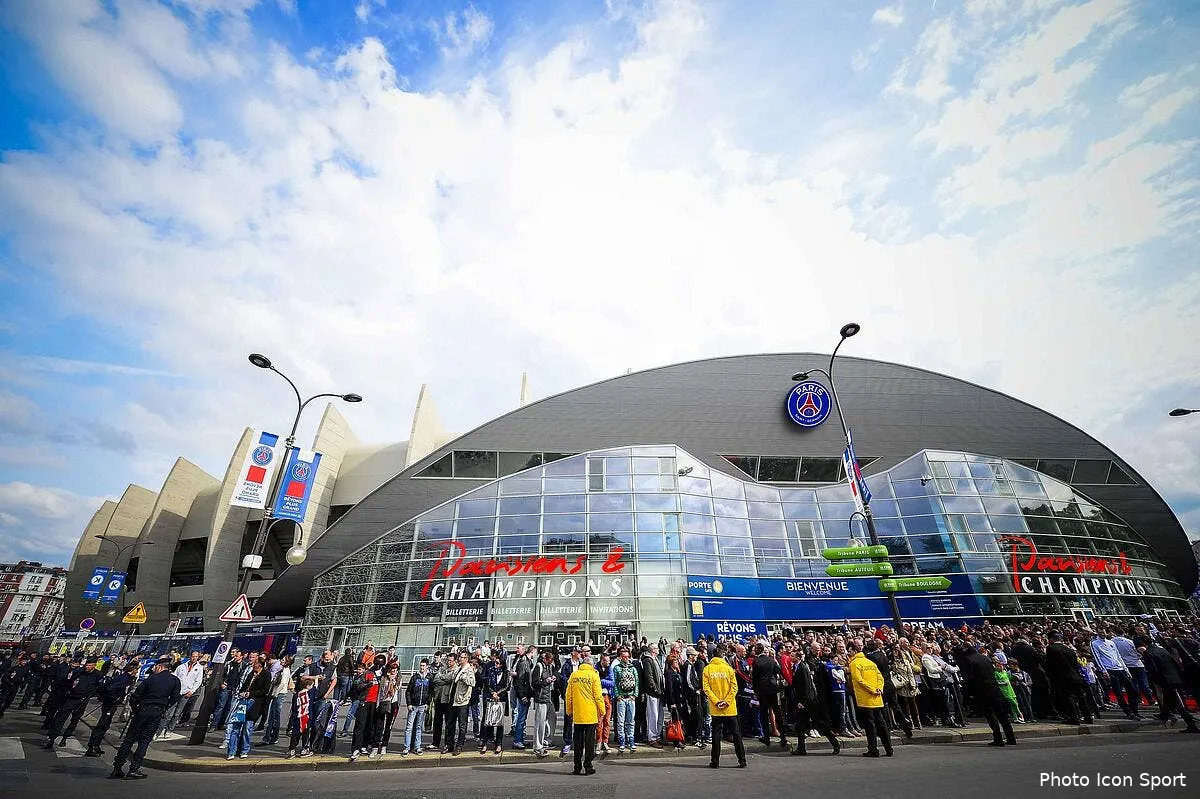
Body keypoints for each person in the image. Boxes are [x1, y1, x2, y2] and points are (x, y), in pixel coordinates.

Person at [109, 657, 181, 781]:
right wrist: (165, 705)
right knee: (144, 740)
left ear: (159, 667)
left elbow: (135, 696)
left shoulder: (151, 679)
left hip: (143, 709)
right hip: (158, 710)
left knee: (129, 739)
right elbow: (175, 697)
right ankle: (134, 768)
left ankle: (117, 767)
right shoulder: (174, 680)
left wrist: (135, 709)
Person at [958, 643, 1016, 748]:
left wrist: (970, 693)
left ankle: (998, 738)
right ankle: (1011, 737)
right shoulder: (985, 658)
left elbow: (970, 678)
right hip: (995, 688)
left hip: (983, 691)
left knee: (990, 714)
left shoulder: (969, 660)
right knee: (1002, 715)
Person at [703, 644, 746, 769]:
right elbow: (734, 688)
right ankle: (742, 760)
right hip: (730, 707)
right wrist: (726, 701)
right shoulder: (728, 669)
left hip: (716, 708)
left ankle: (715, 761)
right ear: (722, 655)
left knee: (716, 734)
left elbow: (706, 688)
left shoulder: (707, 669)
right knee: (736, 734)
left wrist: (717, 701)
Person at [790, 650, 840, 756]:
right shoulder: (797, 667)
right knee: (800, 726)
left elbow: (806, 686)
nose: (791, 657)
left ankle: (835, 743)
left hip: (808, 702)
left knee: (820, 724)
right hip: (804, 701)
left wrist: (802, 701)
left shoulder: (802, 668)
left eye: (793, 656)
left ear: (798, 658)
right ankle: (801, 749)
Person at [848, 639, 892, 758]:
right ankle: (889, 748)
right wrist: (878, 689)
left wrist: (872, 689)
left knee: (870, 726)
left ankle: (873, 749)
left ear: (853, 651)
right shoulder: (870, 662)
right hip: (877, 698)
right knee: (881, 724)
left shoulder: (854, 663)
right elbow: (880, 677)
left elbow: (859, 680)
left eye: (849, 651)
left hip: (865, 699)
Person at [45, 656, 102, 749]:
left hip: (83, 700)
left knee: (74, 720)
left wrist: (90, 695)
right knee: (61, 717)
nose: (87, 667)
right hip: (72, 697)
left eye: (89, 665)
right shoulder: (79, 672)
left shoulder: (98, 675)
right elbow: (69, 680)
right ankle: (52, 737)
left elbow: (99, 688)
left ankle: (65, 737)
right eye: (86, 665)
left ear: (94, 666)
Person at [564, 649, 605, 776]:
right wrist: (602, 710)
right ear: (591, 665)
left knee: (578, 742)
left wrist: (569, 711)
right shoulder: (594, 675)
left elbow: (568, 695)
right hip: (590, 714)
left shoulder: (574, 675)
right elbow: (598, 695)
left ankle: (577, 766)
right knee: (589, 742)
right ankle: (588, 766)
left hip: (578, 714)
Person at [85, 662, 137, 757]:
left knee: (106, 725)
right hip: (109, 703)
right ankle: (91, 747)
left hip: (112, 704)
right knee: (102, 724)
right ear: (133, 669)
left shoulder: (126, 677)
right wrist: (115, 699)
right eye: (136, 669)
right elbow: (111, 689)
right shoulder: (124, 678)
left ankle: (96, 745)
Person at [402, 659, 432, 755]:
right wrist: (409, 703)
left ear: (427, 666)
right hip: (414, 705)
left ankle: (417, 746)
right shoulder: (415, 677)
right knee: (409, 727)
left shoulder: (429, 677)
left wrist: (427, 703)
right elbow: (408, 691)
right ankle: (406, 747)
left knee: (419, 727)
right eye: (421, 665)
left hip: (422, 705)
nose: (422, 667)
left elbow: (430, 692)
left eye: (424, 666)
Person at [531, 650, 557, 757]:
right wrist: (546, 681)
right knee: (540, 722)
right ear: (546, 659)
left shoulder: (549, 667)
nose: (551, 663)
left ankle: (547, 740)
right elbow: (535, 682)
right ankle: (537, 746)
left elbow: (556, 671)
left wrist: (553, 677)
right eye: (549, 661)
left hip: (548, 697)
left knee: (552, 718)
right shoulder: (539, 667)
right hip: (541, 697)